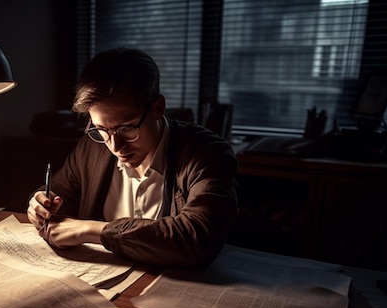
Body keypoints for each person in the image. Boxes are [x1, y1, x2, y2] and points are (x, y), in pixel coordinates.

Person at [27, 47, 237, 268]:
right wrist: (41, 205)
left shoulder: (207, 152)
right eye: (101, 129)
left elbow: (198, 239)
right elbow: (61, 193)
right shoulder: (93, 146)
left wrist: (92, 230)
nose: (115, 145)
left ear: (158, 108)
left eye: (127, 129)